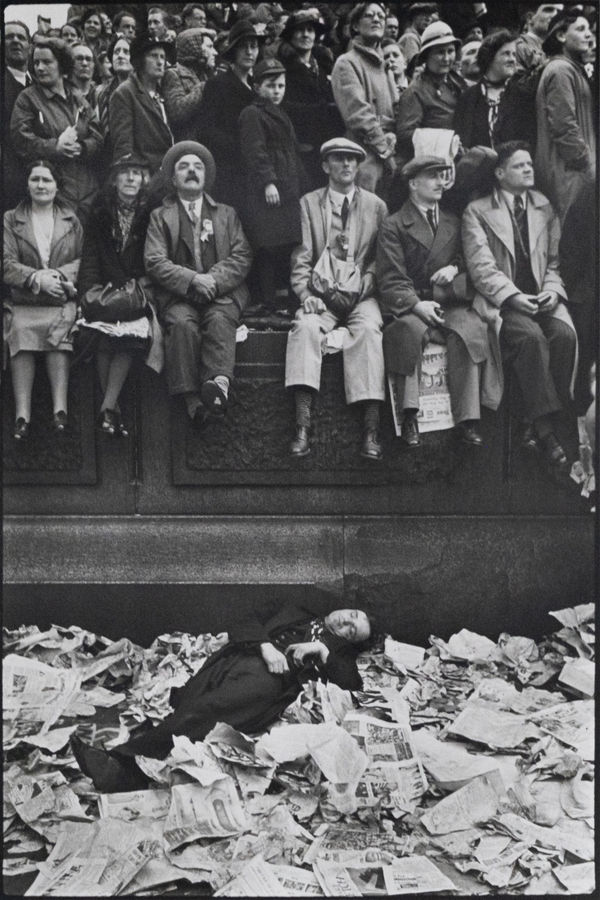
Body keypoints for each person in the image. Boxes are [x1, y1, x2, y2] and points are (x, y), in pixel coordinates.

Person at [70, 603, 372, 792]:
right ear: (345, 607)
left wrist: (323, 652)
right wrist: (264, 646)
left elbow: (351, 684)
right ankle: (134, 776)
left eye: (351, 631)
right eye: (351, 616)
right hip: (233, 661)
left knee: (206, 711)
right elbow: (245, 617)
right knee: (189, 715)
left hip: (268, 683)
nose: (346, 624)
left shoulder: (337, 654)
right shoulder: (296, 610)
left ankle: (121, 765)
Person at [462, 141, 577, 471]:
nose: (529, 169)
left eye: (530, 164)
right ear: (500, 174)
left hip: (541, 298)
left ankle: (530, 420)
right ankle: (546, 433)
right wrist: (513, 296)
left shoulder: (544, 206)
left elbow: (555, 262)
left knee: (564, 336)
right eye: (519, 165)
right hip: (503, 303)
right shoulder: (478, 211)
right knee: (530, 339)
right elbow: (481, 268)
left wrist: (553, 291)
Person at [377, 156, 497, 449]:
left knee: (469, 329)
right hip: (411, 303)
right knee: (407, 333)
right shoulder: (393, 225)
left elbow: (470, 263)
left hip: (448, 301)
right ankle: (410, 415)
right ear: (413, 184)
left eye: (443, 176)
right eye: (432, 177)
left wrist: (455, 269)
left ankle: (467, 418)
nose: (441, 183)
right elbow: (391, 278)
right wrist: (418, 305)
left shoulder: (453, 222)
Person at [285, 138, 388, 461]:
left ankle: (370, 430)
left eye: (352, 160)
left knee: (370, 331)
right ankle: (302, 425)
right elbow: (301, 257)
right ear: (325, 166)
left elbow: (380, 258)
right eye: (339, 159)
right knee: (304, 328)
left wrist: (366, 284)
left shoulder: (376, 206)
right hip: (322, 293)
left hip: (361, 294)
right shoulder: (309, 204)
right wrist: (305, 294)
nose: (346, 165)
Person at [144, 142, 252, 426]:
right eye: (184, 167)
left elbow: (242, 256)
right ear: (174, 178)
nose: (192, 171)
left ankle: (219, 386)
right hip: (179, 296)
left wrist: (213, 281)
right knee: (181, 326)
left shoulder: (226, 214)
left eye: (198, 167)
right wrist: (192, 280)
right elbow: (155, 261)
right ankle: (193, 402)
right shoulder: (160, 216)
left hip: (221, 293)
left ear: (206, 176)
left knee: (219, 320)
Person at [77, 155, 163, 437]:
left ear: (143, 180)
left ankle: (108, 407)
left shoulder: (153, 212)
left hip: (139, 290)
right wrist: (89, 292)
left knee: (129, 336)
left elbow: (156, 257)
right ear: (114, 180)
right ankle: (111, 411)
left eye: (136, 174)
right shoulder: (99, 212)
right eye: (124, 173)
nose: (130, 179)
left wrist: (140, 285)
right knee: (102, 337)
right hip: (104, 289)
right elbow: (90, 258)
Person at [4, 160, 83, 440]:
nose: (40, 185)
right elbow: (6, 263)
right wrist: (37, 278)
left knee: (58, 330)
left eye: (46, 180)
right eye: (35, 179)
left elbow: (82, 260)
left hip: (60, 299)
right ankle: (22, 416)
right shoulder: (11, 219)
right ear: (27, 184)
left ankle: (59, 411)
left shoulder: (71, 220)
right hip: (26, 299)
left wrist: (59, 277)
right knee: (20, 329)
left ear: (57, 186)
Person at [10, 37, 103, 224]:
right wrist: (55, 148)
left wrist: (83, 147)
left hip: (88, 191)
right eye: (36, 62)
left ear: (62, 64)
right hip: (54, 193)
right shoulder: (28, 98)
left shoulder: (77, 98)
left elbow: (98, 135)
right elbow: (20, 139)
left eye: (47, 62)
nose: (40, 68)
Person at [238, 58, 305, 313]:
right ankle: (267, 301)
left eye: (281, 85)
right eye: (271, 85)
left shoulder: (281, 114)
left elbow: (291, 152)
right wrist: (268, 182)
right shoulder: (252, 113)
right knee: (266, 246)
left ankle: (285, 300)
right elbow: (256, 152)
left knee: (286, 245)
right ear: (257, 87)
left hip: (287, 189)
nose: (277, 91)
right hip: (266, 192)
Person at [534, 10, 595, 222]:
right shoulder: (560, 70)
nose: (589, 34)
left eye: (589, 29)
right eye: (580, 29)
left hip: (576, 174)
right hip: (569, 174)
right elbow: (563, 126)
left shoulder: (572, 69)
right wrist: (587, 164)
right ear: (561, 36)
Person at [331, 3, 396, 198]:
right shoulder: (347, 63)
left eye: (381, 16)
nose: (377, 19)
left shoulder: (385, 65)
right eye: (369, 15)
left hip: (390, 150)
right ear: (356, 26)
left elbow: (396, 108)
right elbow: (358, 115)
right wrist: (384, 150)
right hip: (364, 155)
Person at [200, 19, 265, 208]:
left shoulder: (258, 88)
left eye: (253, 47)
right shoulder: (217, 84)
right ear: (233, 50)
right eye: (243, 47)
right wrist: (242, 147)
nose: (249, 52)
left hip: (256, 173)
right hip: (230, 173)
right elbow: (207, 130)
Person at [277, 8, 343, 190]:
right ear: (290, 35)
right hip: (302, 147)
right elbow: (283, 106)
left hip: (328, 144)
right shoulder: (283, 69)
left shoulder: (324, 67)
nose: (305, 35)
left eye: (310, 30)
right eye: (300, 30)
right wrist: (321, 110)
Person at [395, 21, 465, 166]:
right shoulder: (415, 91)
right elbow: (405, 134)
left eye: (450, 51)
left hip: (461, 153)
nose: (446, 58)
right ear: (426, 56)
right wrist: (446, 142)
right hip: (432, 162)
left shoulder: (457, 83)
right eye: (440, 52)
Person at [108, 32, 175, 174]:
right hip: (145, 177)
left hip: (168, 173)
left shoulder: (164, 91)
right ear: (140, 60)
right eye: (154, 56)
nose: (160, 62)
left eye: (162, 57)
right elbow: (123, 148)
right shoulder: (124, 93)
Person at [454, 30, 518, 150]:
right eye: (506, 54)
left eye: (514, 54)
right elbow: (462, 141)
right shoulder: (468, 98)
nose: (512, 59)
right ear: (489, 57)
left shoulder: (522, 95)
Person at [163, 27, 217, 142]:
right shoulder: (173, 74)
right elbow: (177, 111)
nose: (215, 52)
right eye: (210, 47)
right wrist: (204, 87)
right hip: (189, 147)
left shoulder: (206, 75)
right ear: (195, 49)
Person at [4, 21, 32, 214]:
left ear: (30, 47)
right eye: (9, 37)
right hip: (8, 180)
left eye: (21, 37)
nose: (15, 41)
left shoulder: (39, 83)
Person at [516, 2, 564, 72]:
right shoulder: (519, 47)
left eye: (559, 12)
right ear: (530, 18)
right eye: (548, 10)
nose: (555, 15)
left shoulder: (563, 47)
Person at [397, 3, 439, 69]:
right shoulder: (410, 38)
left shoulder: (419, 37)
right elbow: (415, 67)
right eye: (424, 14)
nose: (428, 19)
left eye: (429, 15)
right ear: (414, 17)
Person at [68, 41, 100, 110]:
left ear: (94, 65)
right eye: (79, 58)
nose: (84, 63)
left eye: (88, 59)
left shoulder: (101, 96)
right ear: (70, 63)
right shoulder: (64, 95)